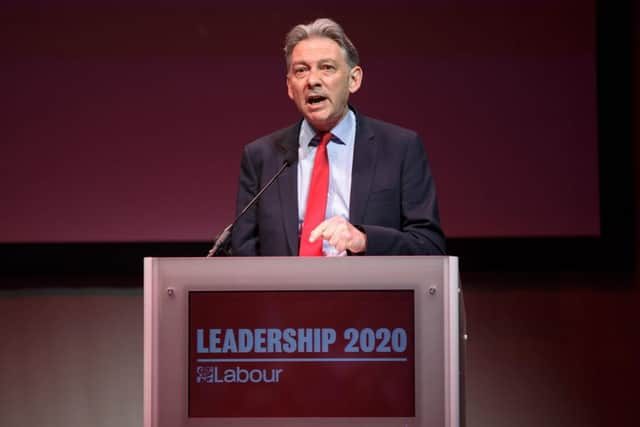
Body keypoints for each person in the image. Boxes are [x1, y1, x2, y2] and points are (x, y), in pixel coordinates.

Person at [231, 18, 445, 256]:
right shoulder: (261, 156)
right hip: (283, 292)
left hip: (366, 291)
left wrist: (364, 240)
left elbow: (430, 246)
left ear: (353, 79)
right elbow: (244, 250)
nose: (312, 81)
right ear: (290, 87)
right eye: (301, 70)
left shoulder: (400, 149)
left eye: (327, 68)